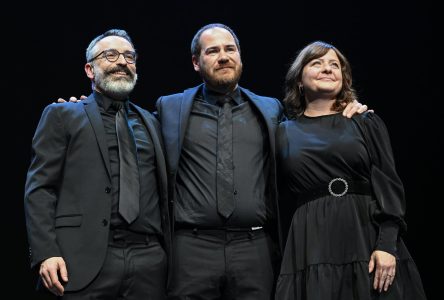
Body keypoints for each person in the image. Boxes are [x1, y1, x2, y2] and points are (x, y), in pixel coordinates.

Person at [155, 24, 367, 300]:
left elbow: (312, 139)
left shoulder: (270, 110)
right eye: (213, 51)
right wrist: (84, 107)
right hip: (193, 248)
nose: (223, 56)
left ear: (240, 57)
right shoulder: (169, 108)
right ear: (196, 62)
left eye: (230, 49)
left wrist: (348, 107)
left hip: (254, 248)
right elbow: (132, 131)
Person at [275, 41, 427, 299]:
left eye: (335, 65)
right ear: (299, 80)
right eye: (317, 63)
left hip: (364, 234)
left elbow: (388, 184)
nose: (327, 69)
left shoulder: (364, 121)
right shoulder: (282, 132)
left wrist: (387, 245)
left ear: (343, 79)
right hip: (311, 243)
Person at [24, 29, 170, 299]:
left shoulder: (153, 122)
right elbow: (40, 188)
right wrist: (46, 252)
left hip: (148, 260)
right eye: (110, 55)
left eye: (129, 56)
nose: (122, 62)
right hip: (83, 257)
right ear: (90, 70)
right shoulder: (62, 115)